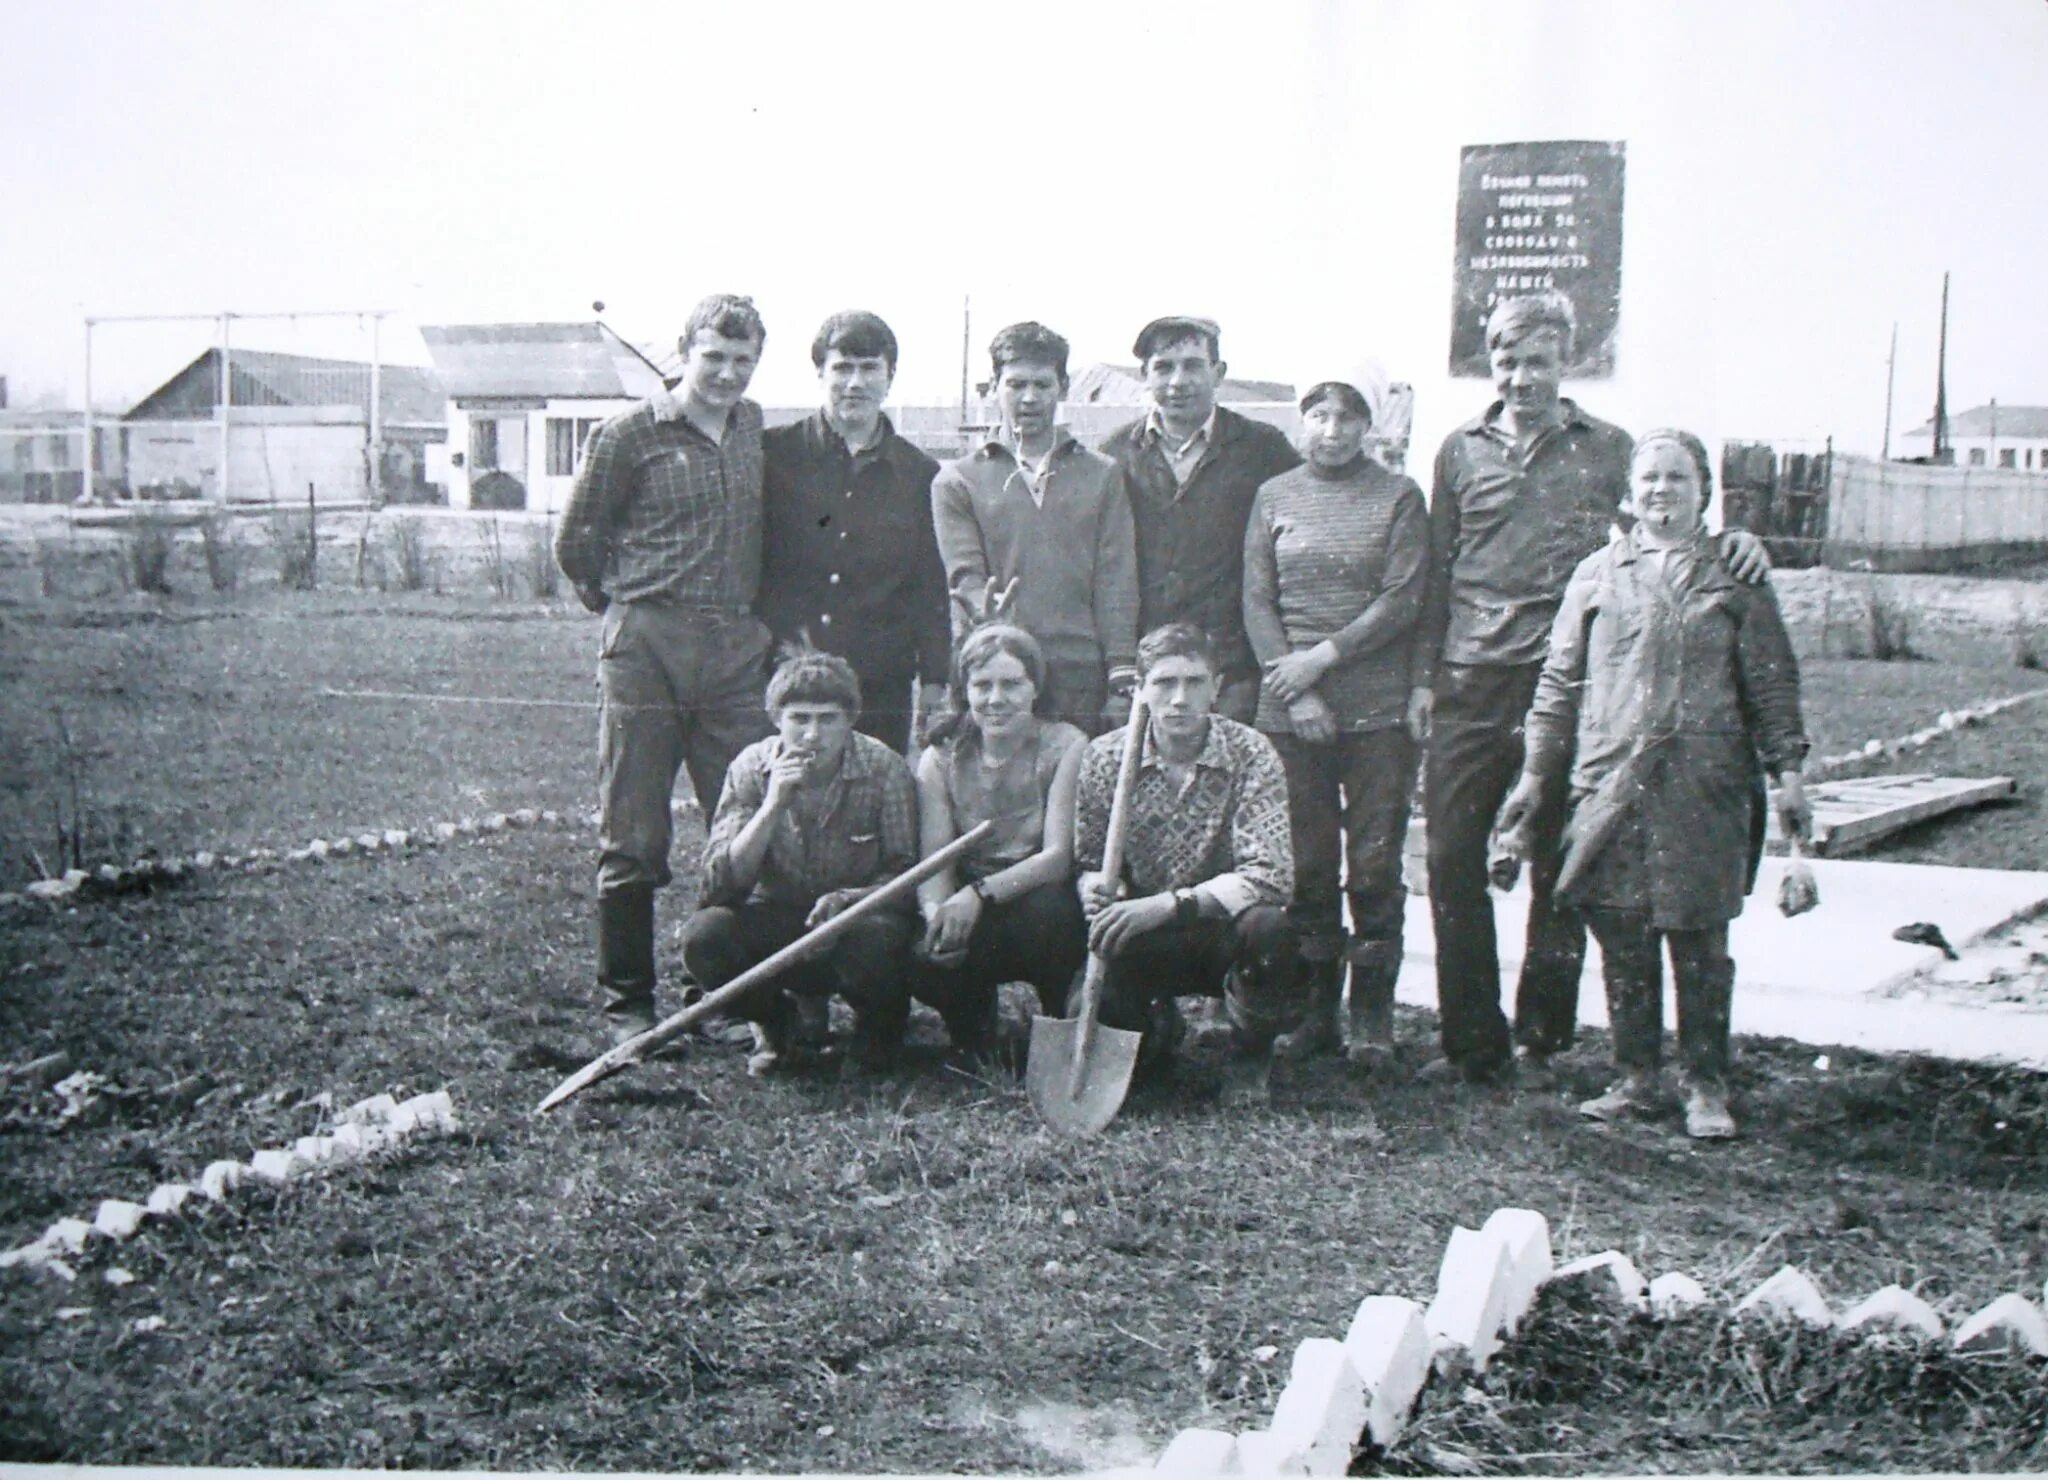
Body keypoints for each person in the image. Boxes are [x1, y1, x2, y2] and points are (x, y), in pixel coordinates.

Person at [1410, 291, 1773, 1086]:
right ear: (1490, 363)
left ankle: (1541, 1038)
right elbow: (1437, 570)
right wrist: (1426, 679)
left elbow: (1665, 512)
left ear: (1565, 362)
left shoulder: (1606, 447)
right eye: (1507, 361)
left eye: (1538, 360)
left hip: (1577, 686)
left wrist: (1739, 539)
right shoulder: (1459, 451)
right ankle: (1472, 1041)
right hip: (1474, 676)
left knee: (1562, 865)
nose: (1521, 377)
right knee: (1448, 857)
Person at [1496, 429, 1811, 1139]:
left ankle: (1706, 1083)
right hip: (1609, 780)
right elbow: (1558, 685)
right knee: (1622, 932)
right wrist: (1534, 780)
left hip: (1704, 785)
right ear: (1628, 492)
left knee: (1699, 937)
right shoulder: (1597, 574)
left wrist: (1788, 774)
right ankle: (1637, 1076)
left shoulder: (1736, 576)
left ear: (1704, 491)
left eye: (1678, 478)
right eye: (1650, 478)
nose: (1662, 490)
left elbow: (1771, 684)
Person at [554, 293, 774, 1046]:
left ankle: (712, 995)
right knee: (634, 830)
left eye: (743, 361)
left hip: (735, 653)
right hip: (647, 646)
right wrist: (623, 611)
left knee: (738, 822)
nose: (727, 374)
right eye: (714, 357)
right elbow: (577, 542)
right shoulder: (629, 435)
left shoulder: (753, 429)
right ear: (685, 352)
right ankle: (628, 1006)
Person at [1243, 366, 1429, 1067]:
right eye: (1319, 414)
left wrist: (1322, 660)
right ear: (1301, 421)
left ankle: (1372, 1019)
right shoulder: (1274, 496)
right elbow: (1258, 602)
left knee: (1375, 864)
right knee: (1309, 865)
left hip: (1376, 710)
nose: (1332, 430)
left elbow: (1402, 598)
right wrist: (1298, 691)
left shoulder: (1399, 497)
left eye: (1348, 416)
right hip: (1291, 709)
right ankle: (1315, 1014)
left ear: (1369, 423)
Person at [1073, 622, 1304, 1105]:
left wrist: (1170, 905)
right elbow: (1088, 858)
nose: (1179, 699)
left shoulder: (1252, 754)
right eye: (1163, 683)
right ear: (1139, 690)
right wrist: (1095, 885)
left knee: (1270, 928)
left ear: (1216, 688)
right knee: (1121, 1047)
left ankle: (1249, 1056)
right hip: (1138, 930)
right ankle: (1154, 1029)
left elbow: (1271, 875)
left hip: (1218, 928)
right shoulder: (1104, 758)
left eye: (1194, 683)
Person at [679, 648, 920, 1076]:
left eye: (827, 719)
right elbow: (718, 886)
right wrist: (772, 806)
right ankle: (776, 1024)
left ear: (850, 720)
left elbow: (906, 875)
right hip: (778, 918)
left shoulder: (885, 769)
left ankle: (878, 1029)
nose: (812, 735)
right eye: (800, 719)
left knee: (882, 939)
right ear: (776, 719)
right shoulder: (751, 768)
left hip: (855, 920)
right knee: (706, 937)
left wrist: (850, 901)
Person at [931, 322, 1139, 734]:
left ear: (1062, 387)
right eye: (1016, 384)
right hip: (1000, 674)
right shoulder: (957, 481)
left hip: (1083, 675)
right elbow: (966, 575)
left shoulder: (1103, 474)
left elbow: (1117, 578)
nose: (1029, 398)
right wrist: (986, 618)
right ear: (994, 387)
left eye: (1042, 385)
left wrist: (1120, 673)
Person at [759, 311, 951, 754]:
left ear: (890, 376)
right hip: (783, 674)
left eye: (870, 369)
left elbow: (929, 587)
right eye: (843, 368)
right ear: (820, 373)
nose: (855, 383)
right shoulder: (775, 455)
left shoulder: (919, 474)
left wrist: (936, 680)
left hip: (879, 682)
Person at [1098, 316, 1302, 724]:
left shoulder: (1264, 449)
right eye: (1163, 367)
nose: (1178, 381)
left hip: (1234, 667)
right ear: (1145, 376)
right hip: (1147, 666)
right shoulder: (1114, 454)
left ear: (1218, 372)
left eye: (1192, 365)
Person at [909, 623, 1090, 1059]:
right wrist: (938, 914)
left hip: (1035, 895)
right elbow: (934, 861)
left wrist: (978, 895)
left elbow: (1057, 858)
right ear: (963, 690)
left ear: (1035, 688)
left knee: (1052, 915)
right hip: (971, 901)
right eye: (982, 686)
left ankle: (1059, 1023)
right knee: (918, 945)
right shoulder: (940, 757)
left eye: (1011, 685)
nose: (995, 699)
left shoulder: (1065, 744)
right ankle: (974, 1026)